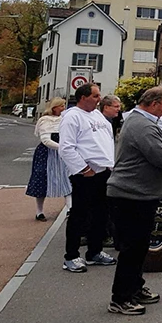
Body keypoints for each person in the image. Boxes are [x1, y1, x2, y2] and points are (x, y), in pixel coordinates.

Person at [106, 87, 162, 316]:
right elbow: (160, 157)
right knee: (132, 249)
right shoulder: (142, 125)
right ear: (152, 103)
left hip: (139, 193)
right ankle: (120, 299)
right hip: (131, 194)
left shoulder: (138, 121)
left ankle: (134, 287)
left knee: (140, 247)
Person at [58, 82, 116, 273]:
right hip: (85, 174)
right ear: (83, 97)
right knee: (79, 215)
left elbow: (106, 139)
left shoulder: (97, 115)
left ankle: (94, 251)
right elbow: (66, 147)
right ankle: (71, 256)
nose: (99, 99)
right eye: (96, 96)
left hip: (103, 172)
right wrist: (83, 168)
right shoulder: (72, 117)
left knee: (101, 214)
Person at [25, 98, 72, 221]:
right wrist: (62, 147)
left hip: (62, 153)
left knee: (66, 178)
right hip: (46, 153)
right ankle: (39, 212)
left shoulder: (65, 119)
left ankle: (70, 209)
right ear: (54, 107)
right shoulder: (44, 121)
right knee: (42, 180)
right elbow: (46, 140)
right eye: (61, 106)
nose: (63, 108)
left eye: (64, 106)